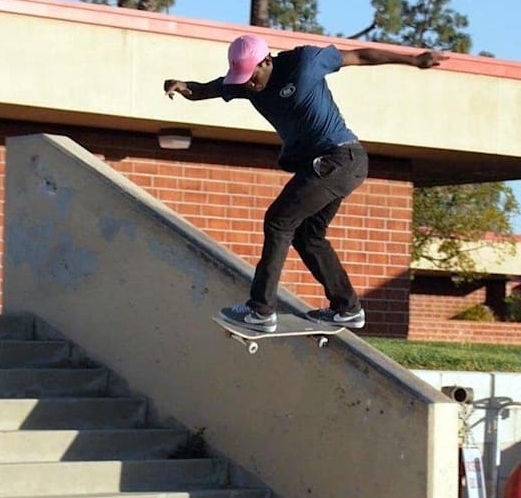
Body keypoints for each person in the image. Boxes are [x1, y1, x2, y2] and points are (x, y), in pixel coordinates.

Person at [164, 34, 446, 332]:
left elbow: (359, 56)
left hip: (342, 157)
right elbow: (209, 88)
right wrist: (183, 87)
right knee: (308, 236)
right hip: (325, 166)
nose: (248, 85)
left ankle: (260, 310)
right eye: (243, 79)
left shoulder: (305, 62)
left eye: (252, 77)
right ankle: (347, 308)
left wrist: (413, 60)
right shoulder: (243, 82)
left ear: (267, 61)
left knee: (278, 221)